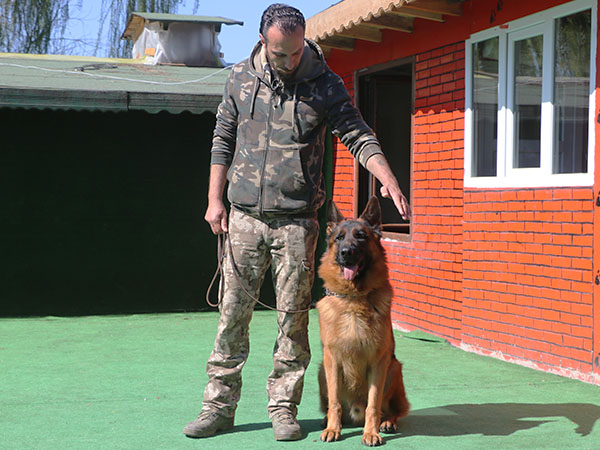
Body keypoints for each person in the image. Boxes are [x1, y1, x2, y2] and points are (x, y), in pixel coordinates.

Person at [183, 3, 411, 442]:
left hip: (297, 223)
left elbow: (356, 133)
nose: (289, 62)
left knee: (293, 322)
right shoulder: (239, 78)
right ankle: (217, 408)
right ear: (263, 41)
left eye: (296, 51)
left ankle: (283, 410)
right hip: (244, 218)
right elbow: (222, 138)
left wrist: (387, 177)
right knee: (232, 317)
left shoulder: (324, 84)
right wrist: (215, 199)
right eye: (280, 53)